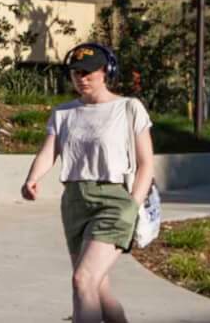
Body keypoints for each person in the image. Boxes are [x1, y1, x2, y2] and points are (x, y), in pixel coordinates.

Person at [21, 41, 155, 323]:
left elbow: (146, 164)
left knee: (82, 281)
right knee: (98, 290)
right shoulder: (64, 113)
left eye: (88, 72)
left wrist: (133, 204)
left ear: (106, 71)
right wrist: (32, 178)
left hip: (114, 202)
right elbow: (49, 152)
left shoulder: (129, 108)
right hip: (74, 202)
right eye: (75, 72)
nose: (81, 78)